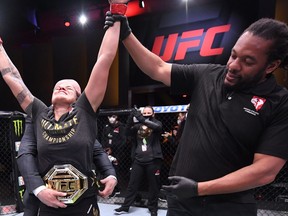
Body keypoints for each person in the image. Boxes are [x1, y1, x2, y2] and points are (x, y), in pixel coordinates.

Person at [105, 15, 288, 216]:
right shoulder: (208, 75)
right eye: (233, 55)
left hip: (230, 208)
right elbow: (157, 67)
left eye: (248, 61)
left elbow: (265, 171)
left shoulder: (279, 102)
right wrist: (127, 35)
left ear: (271, 66)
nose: (234, 65)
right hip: (182, 203)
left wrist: (199, 188)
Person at [0, 3, 123, 214]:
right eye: (58, 85)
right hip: (47, 202)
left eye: (70, 86)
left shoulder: (85, 110)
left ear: (78, 97)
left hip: (83, 202)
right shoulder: (38, 112)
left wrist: (118, 11)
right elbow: (12, 77)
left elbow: (104, 61)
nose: (62, 86)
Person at [18, 117, 117, 216]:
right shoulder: (36, 117)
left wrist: (110, 174)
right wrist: (38, 188)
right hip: (43, 197)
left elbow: (97, 151)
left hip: (84, 197)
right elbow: (25, 153)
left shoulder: (80, 118)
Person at [114, 106, 163, 216]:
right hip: (138, 160)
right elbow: (127, 132)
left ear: (153, 114)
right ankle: (125, 207)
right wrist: (131, 116)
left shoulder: (157, 123)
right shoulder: (137, 126)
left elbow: (157, 128)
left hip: (153, 160)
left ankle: (153, 208)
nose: (146, 114)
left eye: (148, 112)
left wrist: (141, 118)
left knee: (153, 185)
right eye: (144, 112)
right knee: (132, 184)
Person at [101, 114, 127, 194]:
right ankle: (110, 188)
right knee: (107, 170)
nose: (111, 119)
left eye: (113, 117)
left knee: (117, 170)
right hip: (107, 152)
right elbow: (103, 139)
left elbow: (123, 141)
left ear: (117, 117)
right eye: (109, 117)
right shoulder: (106, 127)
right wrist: (106, 148)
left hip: (118, 152)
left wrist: (113, 149)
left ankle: (118, 188)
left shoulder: (121, 127)